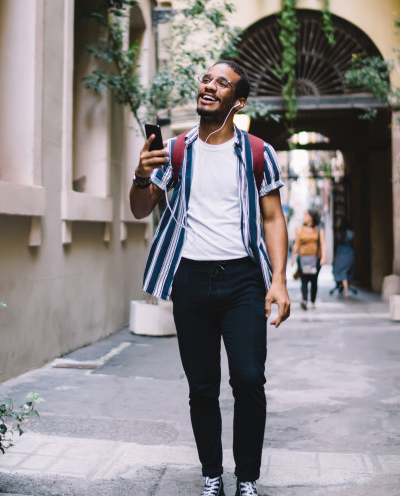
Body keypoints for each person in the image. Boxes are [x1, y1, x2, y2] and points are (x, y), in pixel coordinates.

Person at [130, 60, 291, 496]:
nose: (209, 86)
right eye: (206, 78)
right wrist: (142, 174)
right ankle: (212, 475)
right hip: (191, 279)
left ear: (236, 101)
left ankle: (248, 478)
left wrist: (278, 280)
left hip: (243, 279)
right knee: (202, 387)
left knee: (249, 378)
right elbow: (140, 208)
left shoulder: (258, 152)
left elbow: (274, 219)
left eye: (222, 83)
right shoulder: (178, 150)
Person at [290, 210, 325, 310]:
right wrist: (292, 258)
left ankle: (312, 301)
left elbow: (323, 244)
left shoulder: (318, 229)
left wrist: (324, 257)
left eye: (306, 215)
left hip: (316, 259)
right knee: (304, 280)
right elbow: (296, 244)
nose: (304, 217)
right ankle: (304, 300)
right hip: (302, 259)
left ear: (311, 217)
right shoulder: (300, 229)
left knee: (314, 280)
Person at [332, 218, 356, 297]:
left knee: (343, 272)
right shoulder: (351, 234)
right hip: (349, 254)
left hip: (340, 254)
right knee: (346, 271)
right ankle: (346, 288)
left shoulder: (338, 234)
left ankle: (346, 290)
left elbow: (335, 246)